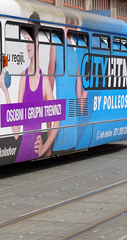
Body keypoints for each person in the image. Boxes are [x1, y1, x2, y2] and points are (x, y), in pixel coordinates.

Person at [0, 12, 56, 161]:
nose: (27, 46)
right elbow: (16, 133)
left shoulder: (44, 82)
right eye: (25, 40)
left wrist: (44, 148)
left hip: (35, 152)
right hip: (22, 153)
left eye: (29, 40)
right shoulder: (23, 77)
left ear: (37, 41)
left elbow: (56, 122)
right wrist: (5, 92)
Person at [48, 11, 87, 154]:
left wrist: (80, 104)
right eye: (75, 27)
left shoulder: (72, 47)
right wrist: (49, 105)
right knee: (61, 137)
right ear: (67, 24)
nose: (76, 31)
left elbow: (78, 81)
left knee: (70, 140)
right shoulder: (55, 42)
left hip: (71, 102)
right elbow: (51, 77)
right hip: (61, 98)